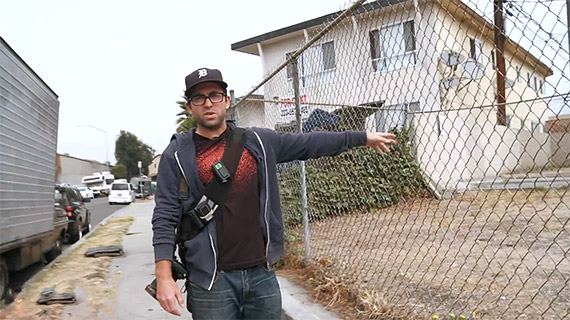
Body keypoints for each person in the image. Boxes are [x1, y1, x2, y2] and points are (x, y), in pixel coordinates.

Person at [152, 67, 397, 319]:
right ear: (190, 106)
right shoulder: (178, 155)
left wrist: (362, 137)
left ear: (226, 101)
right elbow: (165, 216)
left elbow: (309, 143)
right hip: (211, 280)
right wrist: (164, 276)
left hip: (262, 275)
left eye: (214, 95)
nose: (208, 103)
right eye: (198, 98)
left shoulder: (257, 142)